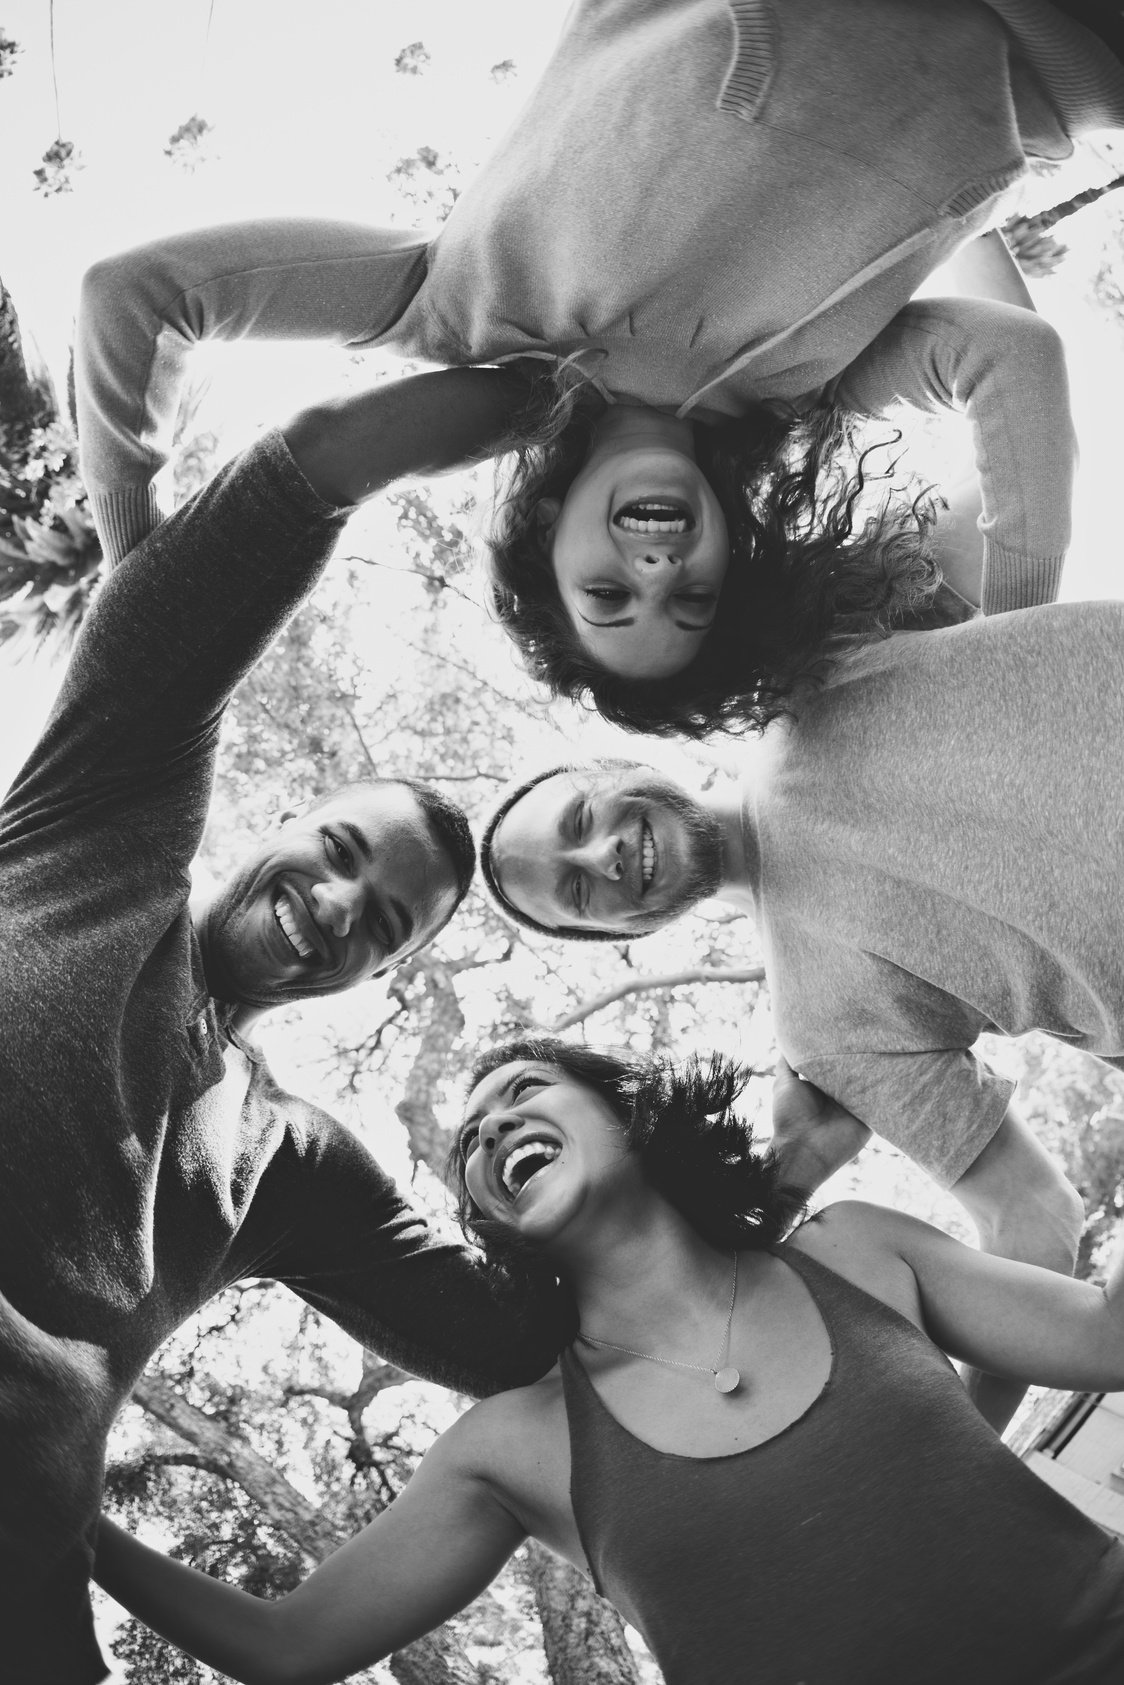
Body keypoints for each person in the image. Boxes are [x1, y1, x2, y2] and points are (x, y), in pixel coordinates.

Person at [75, 3, 1124, 737]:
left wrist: (134, 555)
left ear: (542, 535)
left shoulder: (461, 309)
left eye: (609, 597)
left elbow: (135, 296)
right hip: (1071, 49)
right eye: (692, 600)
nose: (658, 573)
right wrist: (1018, 633)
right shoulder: (808, 395)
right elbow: (1011, 357)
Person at [0, 369, 568, 1685]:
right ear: (278, 823)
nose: (337, 904)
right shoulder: (103, 831)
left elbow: (511, 1340)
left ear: (375, 978)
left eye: (384, 921)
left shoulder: (290, 1165)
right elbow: (291, 486)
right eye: (339, 849)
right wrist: (543, 390)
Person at [92, 1039, 1124, 1685]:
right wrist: (62, 1511)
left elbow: (1101, 1339)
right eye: (472, 1144)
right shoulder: (516, 1443)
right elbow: (289, 1646)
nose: (494, 1126)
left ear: (627, 1113)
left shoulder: (855, 1246)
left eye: (524, 1090)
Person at [477, 599, 1124, 1406]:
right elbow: (1031, 1214)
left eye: (578, 818)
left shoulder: (798, 662)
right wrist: (957, 1456)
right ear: (610, 933)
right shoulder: (823, 1031)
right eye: (577, 889)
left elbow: (1003, 505)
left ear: (605, 769)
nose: (601, 854)